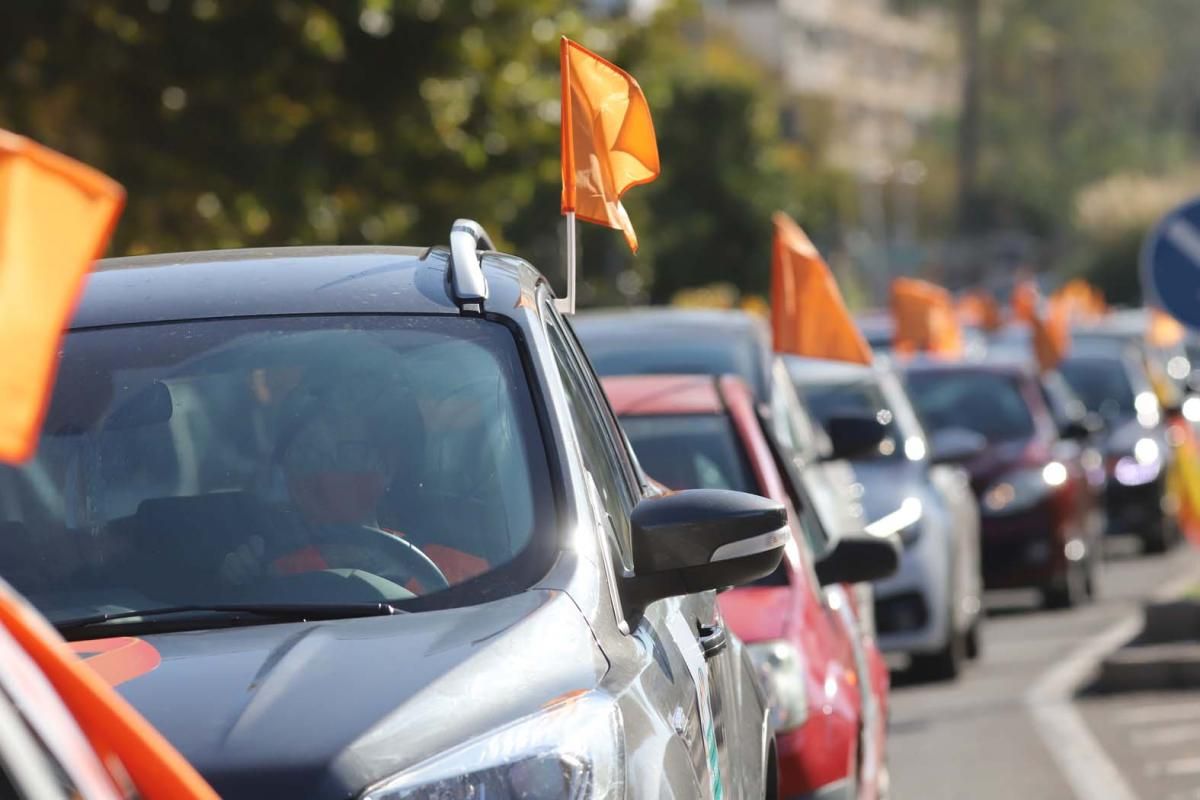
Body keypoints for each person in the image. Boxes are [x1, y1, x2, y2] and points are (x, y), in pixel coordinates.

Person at [220, 368, 489, 593]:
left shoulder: (461, 572)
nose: (323, 472)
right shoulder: (275, 568)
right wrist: (240, 582)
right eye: (307, 456)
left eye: (345, 455)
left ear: (386, 465)